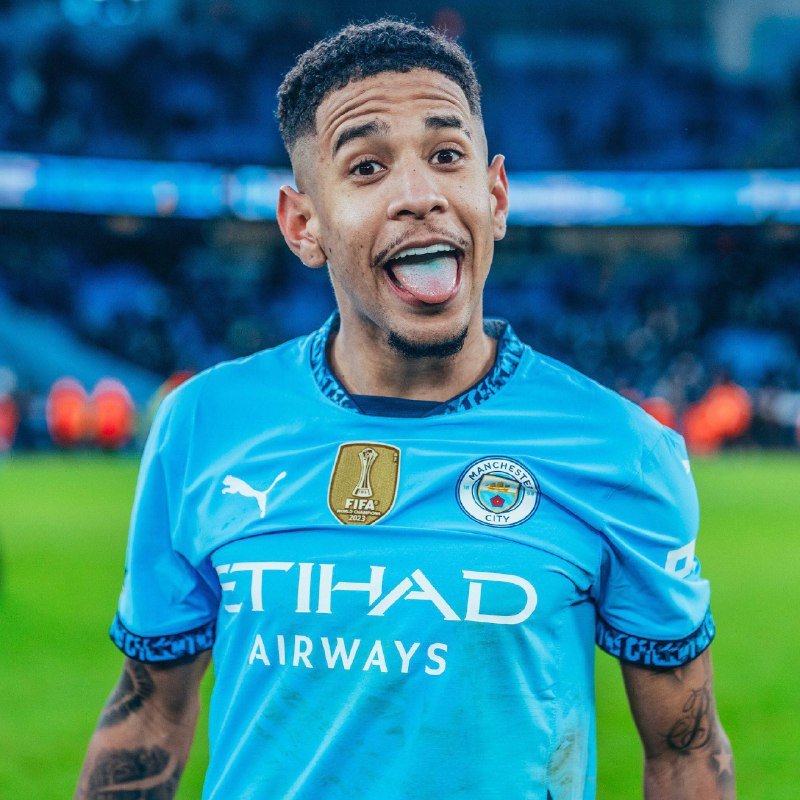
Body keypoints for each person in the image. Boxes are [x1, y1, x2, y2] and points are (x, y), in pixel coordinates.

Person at [75, 19, 734, 800]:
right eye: (367, 166)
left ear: (495, 197)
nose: (420, 196)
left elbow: (685, 752)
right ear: (304, 225)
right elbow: (149, 719)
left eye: (447, 155)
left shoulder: (621, 450)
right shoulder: (202, 425)